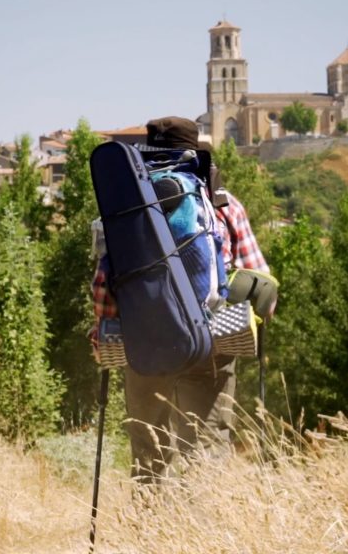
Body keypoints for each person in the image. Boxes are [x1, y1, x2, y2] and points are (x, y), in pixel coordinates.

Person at [90, 116, 270, 482]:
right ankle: (197, 536)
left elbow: (104, 288)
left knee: (148, 450)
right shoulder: (223, 204)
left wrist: (104, 334)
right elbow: (261, 283)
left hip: (144, 346)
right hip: (211, 342)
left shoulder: (124, 211)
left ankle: (150, 534)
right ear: (195, 153)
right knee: (204, 446)